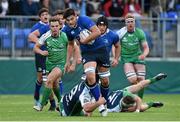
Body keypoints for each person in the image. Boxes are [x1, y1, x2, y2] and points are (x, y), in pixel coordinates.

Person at [62, 8, 109, 116]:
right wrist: (67, 62)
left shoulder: (84, 19)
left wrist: (84, 40)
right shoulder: (67, 30)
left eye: (72, 19)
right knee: (90, 76)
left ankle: (104, 103)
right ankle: (100, 104)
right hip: (88, 53)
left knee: (105, 80)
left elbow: (97, 32)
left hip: (100, 49)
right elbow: (70, 45)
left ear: (75, 16)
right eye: (68, 20)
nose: (70, 22)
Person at [33, 16, 68, 111]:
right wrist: (41, 52)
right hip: (49, 64)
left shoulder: (65, 36)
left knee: (48, 81)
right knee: (54, 84)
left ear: (60, 26)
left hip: (60, 64)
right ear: (49, 27)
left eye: (56, 26)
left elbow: (74, 47)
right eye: (52, 26)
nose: (55, 28)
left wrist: (69, 62)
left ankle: (40, 104)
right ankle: (61, 103)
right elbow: (35, 47)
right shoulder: (46, 36)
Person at [28, 8, 56, 110]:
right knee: (41, 78)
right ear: (40, 17)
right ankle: (37, 95)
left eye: (47, 14)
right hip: (40, 55)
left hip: (51, 56)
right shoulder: (38, 27)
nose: (45, 16)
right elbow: (30, 38)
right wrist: (41, 42)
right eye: (43, 14)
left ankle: (52, 102)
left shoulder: (53, 26)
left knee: (49, 79)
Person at [116, 13, 150, 99]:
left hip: (138, 57)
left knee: (142, 79)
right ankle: (134, 98)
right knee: (132, 79)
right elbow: (115, 45)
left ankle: (139, 100)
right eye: (128, 22)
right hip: (126, 58)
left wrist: (144, 55)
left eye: (132, 21)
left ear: (134, 23)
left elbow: (146, 48)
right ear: (125, 23)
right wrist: (115, 57)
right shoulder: (120, 33)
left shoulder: (140, 32)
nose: (130, 23)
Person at [95, 16, 120, 101]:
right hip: (91, 60)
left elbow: (117, 46)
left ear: (107, 26)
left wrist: (116, 58)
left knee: (105, 81)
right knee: (90, 81)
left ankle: (104, 101)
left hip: (103, 61)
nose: (102, 27)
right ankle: (88, 102)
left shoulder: (113, 35)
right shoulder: (92, 33)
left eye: (104, 25)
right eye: (100, 25)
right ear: (97, 25)